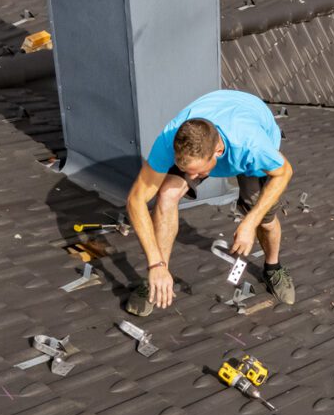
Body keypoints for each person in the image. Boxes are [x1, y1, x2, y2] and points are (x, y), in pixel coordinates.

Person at [125, 90, 295, 317]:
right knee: (167, 194)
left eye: (197, 173)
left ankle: (273, 268)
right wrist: (155, 265)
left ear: (218, 152)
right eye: (187, 171)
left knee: (263, 216)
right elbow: (135, 200)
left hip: (250, 128)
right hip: (216, 121)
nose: (193, 178)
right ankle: (161, 277)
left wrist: (249, 223)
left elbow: (284, 173)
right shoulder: (169, 140)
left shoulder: (251, 146)